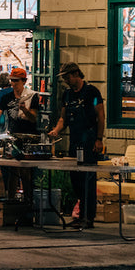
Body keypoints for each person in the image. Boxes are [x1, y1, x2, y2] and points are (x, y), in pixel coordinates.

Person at [48, 62, 105, 228]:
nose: (65, 80)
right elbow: (63, 118)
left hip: (89, 140)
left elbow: (100, 116)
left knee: (88, 179)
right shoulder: (67, 94)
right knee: (76, 179)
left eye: (67, 77)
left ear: (76, 74)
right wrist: (56, 130)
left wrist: (99, 139)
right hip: (75, 141)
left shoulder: (91, 92)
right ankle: (80, 215)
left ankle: (89, 217)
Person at [0, 67, 40, 200]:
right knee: (12, 171)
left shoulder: (32, 96)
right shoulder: (6, 96)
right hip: (13, 136)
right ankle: (10, 201)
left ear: (24, 81)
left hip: (28, 137)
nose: (13, 83)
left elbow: (33, 118)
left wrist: (24, 110)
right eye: (12, 81)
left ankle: (27, 201)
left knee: (25, 172)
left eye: (16, 81)